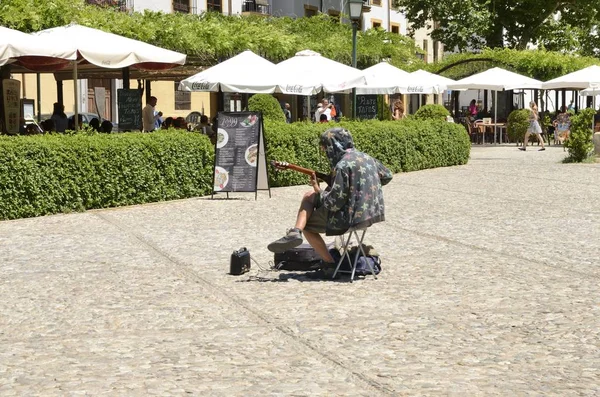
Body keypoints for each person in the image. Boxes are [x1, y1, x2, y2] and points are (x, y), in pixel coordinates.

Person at [267, 127, 393, 270]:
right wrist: (365, 188)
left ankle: (329, 264)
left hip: (349, 218)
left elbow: (333, 203)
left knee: (307, 227)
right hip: (370, 213)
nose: (326, 153)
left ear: (334, 145)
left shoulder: (342, 166)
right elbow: (387, 175)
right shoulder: (367, 158)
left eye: (325, 148)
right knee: (310, 196)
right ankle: (296, 231)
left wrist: (317, 189)